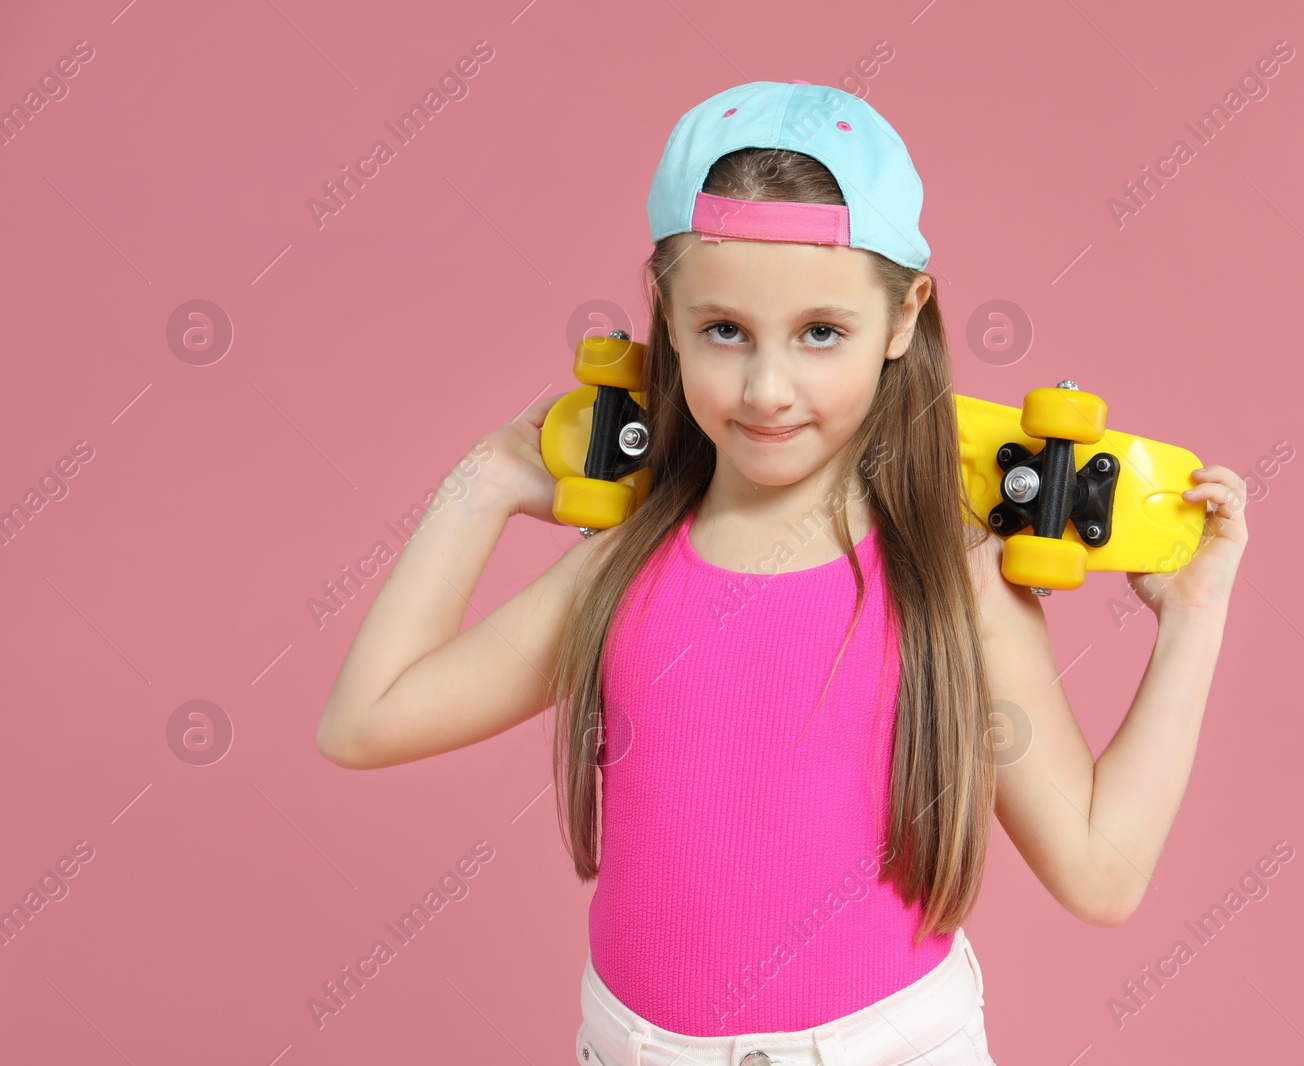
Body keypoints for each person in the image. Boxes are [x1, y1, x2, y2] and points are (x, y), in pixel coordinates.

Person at [315, 79, 1249, 1066]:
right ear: (665, 320)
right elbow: (364, 719)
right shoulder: (621, 573)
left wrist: (1194, 619)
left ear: (902, 317)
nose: (766, 389)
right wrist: (489, 478)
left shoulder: (953, 581)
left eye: (820, 333)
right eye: (724, 331)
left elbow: (1100, 871)